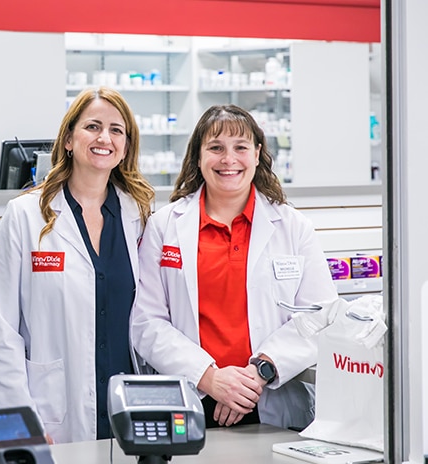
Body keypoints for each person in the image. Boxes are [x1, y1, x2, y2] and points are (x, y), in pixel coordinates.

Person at [130, 104, 338, 430]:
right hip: (194, 395)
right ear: (198, 158)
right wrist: (210, 377)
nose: (229, 159)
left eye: (240, 147)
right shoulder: (165, 226)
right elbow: (147, 322)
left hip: (271, 396)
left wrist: (260, 372)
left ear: (257, 154)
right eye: (215, 148)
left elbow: (322, 315)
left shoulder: (292, 226)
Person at [0, 86, 156, 444]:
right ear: (69, 139)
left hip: (128, 409)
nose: (104, 137)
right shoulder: (26, 215)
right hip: (52, 414)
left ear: (126, 147)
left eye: (116, 130)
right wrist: (19, 421)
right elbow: (0, 331)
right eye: (93, 126)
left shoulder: (139, 215)